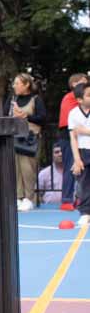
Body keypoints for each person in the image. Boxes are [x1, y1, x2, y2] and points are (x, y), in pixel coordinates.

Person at [5, 73, 47, 211]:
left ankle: (29, 198)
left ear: (26, 84)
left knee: (28, 168)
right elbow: (5, 116)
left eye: (17, 83)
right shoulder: (12, 99)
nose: (14, 86)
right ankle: (18, 197)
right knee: (14, 168)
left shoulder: (36, 99)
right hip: (14, 137)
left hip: (30, 139)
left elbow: (42, 118)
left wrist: (25, 116)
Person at [58, 72, 88, 210]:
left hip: (82, 138)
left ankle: (78, 198)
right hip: (69, 136)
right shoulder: (70, 99)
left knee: (82, 170)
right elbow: (74, 126)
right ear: (74, 84)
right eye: (83, 83)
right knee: (72, 166)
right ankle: (67, 199)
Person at [69, 81, 90, 228]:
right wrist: (77, 159)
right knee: (84, 184)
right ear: (79, 100)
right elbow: (73, 137)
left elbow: (80, 132)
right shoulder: (73, 114)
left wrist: (85, 131)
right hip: (83, 152)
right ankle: (85, 213)